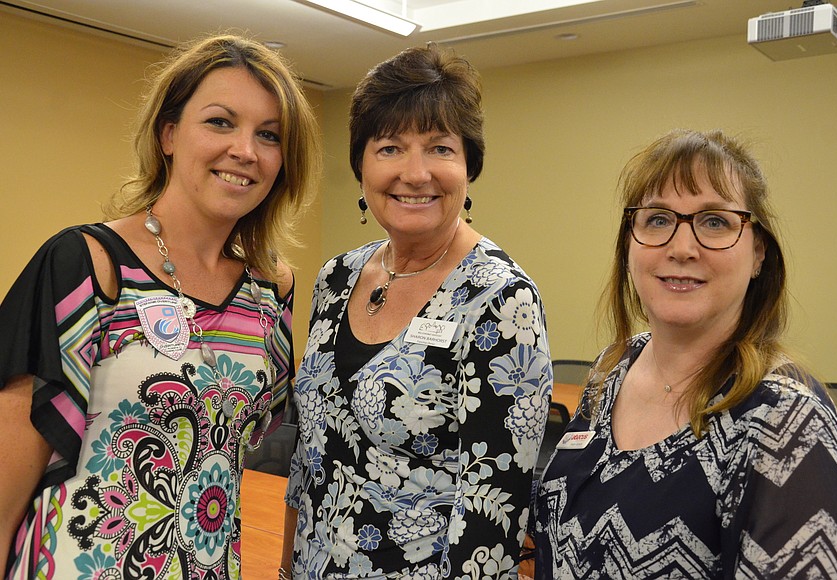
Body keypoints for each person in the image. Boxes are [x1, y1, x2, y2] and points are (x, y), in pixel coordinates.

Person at [0, 34, 320, 578]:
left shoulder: (273, 293)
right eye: (220, 122)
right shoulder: (86, 265)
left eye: (269, 135)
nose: (245, 150)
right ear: (168, 134)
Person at [280, 43, 552, 579]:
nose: (415, 172)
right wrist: (286, 568)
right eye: (389, 147)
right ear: (361, 164)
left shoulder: (500, 299)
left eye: (439, 148)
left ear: (469, 165)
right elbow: (307, 457)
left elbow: (492, 514)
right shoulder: (337, 279)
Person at [532, 129, 837, 578]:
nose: (681, 249)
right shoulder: (613, 368)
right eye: (658, 219)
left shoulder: (787, 419)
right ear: (629, 244)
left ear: (758, 252)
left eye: (715, 222)